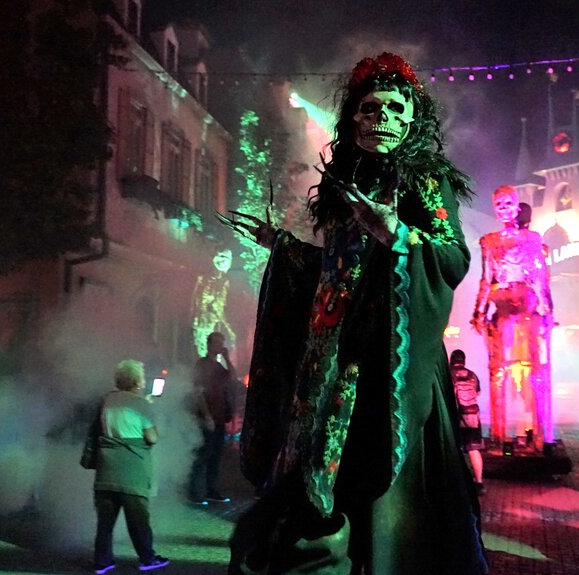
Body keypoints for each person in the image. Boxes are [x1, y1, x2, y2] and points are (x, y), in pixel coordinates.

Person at [227, 52, 487, 574]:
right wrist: (285, 249)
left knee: (389, 498)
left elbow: (453, 255)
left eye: (396, 108)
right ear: (352, 119)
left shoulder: (422, 179)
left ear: (413, 118)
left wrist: (398, 236)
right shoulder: (345, 184)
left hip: (391, 359)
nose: (384, 119)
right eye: (371, 108)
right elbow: (338, 269)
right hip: (334, 363)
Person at [472, 186, 552, 448]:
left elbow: (539, 278)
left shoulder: (532, 239)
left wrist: (547, 311)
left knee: (536, 374)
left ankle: (539, 438)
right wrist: (479, 312)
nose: (503, 207)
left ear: (517, 207)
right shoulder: (489, 241)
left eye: (508, 202)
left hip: (528, 312)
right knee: (497, 375)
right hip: (503, 312)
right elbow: (487, 279)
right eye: (498, 203)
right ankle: (498, 435)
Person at [92, 360, 169, 574]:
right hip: (133, 471)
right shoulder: (142, 405)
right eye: (142, 377)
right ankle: (147, 558)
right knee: (138, 521)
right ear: (136, 381)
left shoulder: (106, 400)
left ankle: (102, 561)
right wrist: (151, 410)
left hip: (106, 469)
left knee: (105, 523)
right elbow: (152, 438)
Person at [188, 331, 235, 504]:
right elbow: (198, 392)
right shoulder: (201, 365)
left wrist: (227, 359)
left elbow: (232, 377)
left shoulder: (219, 367)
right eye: (217, 343)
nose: (220, 346)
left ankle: (211, 490)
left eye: (221, 343)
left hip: (220, 417)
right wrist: (207, 416)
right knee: (203, 454)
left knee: (215, 455)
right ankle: (193, 492)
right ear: (209, 344)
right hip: (206, 417)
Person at [450, 349, 486, 495]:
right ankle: (479, 483)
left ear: (452, 360)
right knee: (473, 450)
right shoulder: (472, 375)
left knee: (453, 450)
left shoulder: (449, 373)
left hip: (457, 417)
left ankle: (456, 483)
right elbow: (478, 393)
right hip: (472, 417)